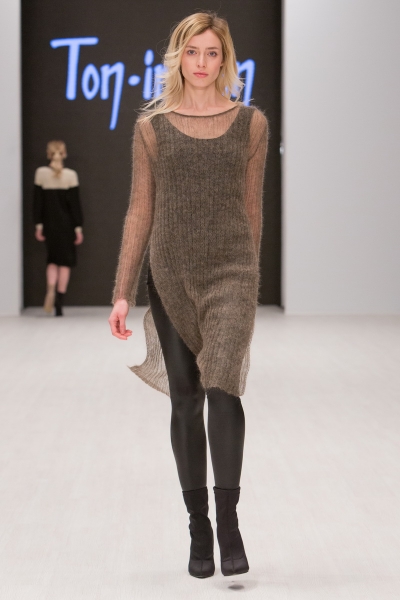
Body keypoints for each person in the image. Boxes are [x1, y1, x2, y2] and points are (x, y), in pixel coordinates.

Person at [109, 11, 268, 579]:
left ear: (225, 60)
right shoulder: (152, 127)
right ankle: (198, 525)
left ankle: (229, 523)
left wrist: (248, 279)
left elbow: (252, 210)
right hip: (171, 272)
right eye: (193, 52)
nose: (202, 63)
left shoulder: (251, 124)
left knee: (223, 388)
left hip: (232, 272)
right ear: (178, 58)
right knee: (185, 399)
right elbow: (140, 210)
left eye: (212, 52)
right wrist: (123, 291)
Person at [33, 140, 84, 316]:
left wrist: (39, 225)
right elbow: (75, 205)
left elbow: (37, 203)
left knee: (52, 260)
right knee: (65, 263)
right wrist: (78, 228)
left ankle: (51, 289)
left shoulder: (40, 173)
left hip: (49, 224)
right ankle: (59, 301)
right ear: (64, 154)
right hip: (67, 226)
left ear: (49, 154)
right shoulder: (71, 175)